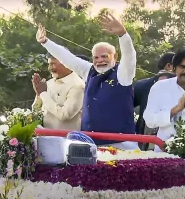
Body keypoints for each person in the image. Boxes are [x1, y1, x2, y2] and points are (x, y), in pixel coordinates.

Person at [36, 13, 138, 149]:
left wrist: (123, 35)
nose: (100, 60)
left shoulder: (123, 74)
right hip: (92, 145)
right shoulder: (89, 71)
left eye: (104, 56)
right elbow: (67, 58)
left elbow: (129, 56)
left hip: (122, 144)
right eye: (96, 57)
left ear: (115, 56)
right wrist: (45, 42)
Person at [32, 52, 85, 130]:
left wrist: (43, 93)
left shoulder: (77, 86)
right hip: (46, 137)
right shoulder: (49, 83)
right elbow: (36, 111)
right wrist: (38, 94)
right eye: (49, 64)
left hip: (66, 139)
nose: (50, 68)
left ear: (66, 63)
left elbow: (65, 115)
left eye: (53, 64)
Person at [134, 52, 176, 135]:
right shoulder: (142, 86)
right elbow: (126, 108)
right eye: (181, 66)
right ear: (169, 66)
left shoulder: (184, 85)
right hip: (145, 139)